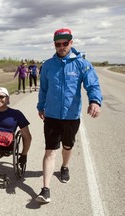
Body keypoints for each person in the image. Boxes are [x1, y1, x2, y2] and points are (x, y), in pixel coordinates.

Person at [35, 28, 103, 203]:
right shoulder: (48, 65)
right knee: (50, 151)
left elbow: (93, 84)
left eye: (65, 43)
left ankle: (65, 167)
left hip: (71, 116)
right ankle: (45, 189)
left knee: (67, 146)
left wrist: (94, 101)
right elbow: (43, 89)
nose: (61, 46)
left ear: (71, 43)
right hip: (51, 115)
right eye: (58, 44)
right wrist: (41, 106)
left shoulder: (82, 64)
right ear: (55, 45)